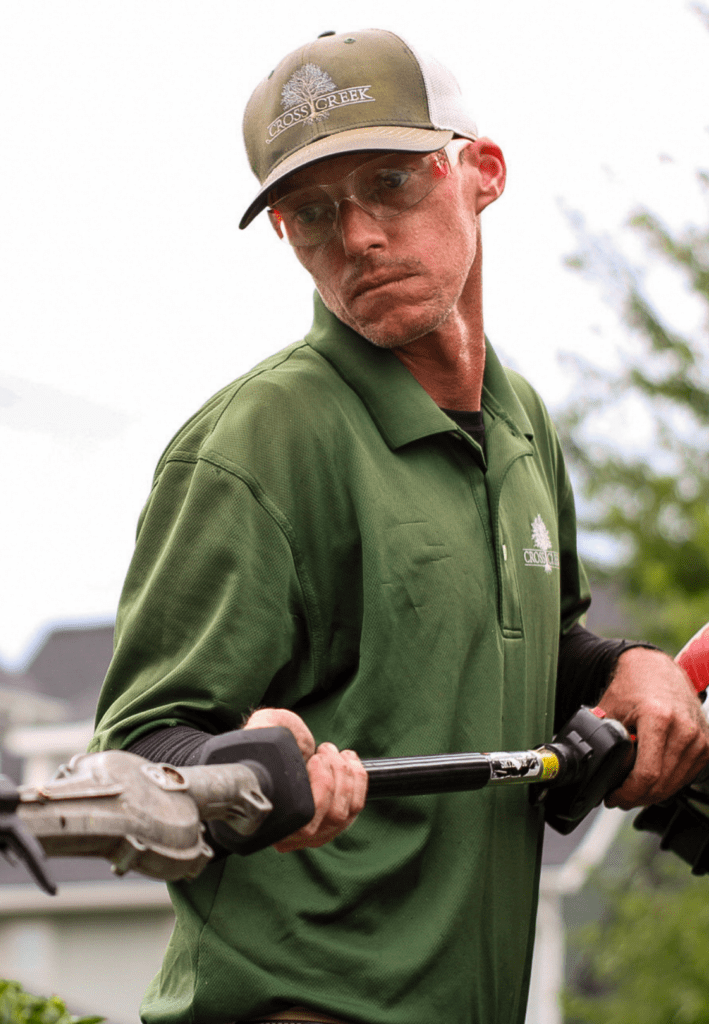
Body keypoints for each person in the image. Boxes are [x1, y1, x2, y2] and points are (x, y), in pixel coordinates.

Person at [88, 28, 709, 1024]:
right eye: (312, 213)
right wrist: (241, 761)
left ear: (481, 173)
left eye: (391, 183)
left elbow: (524, 650)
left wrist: (629, 669)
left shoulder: (523, 425)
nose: (359, 237)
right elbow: (137, 755)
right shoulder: (258, 443)